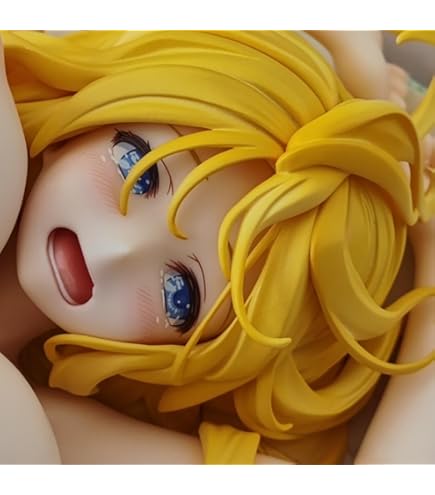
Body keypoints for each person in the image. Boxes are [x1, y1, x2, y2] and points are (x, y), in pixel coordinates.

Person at [1, 30, 434, 464]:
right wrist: (353, 58)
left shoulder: (45, 425)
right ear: (98, 112)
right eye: (139, 170)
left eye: (180, 294)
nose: (115, 251)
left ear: (198, 351)